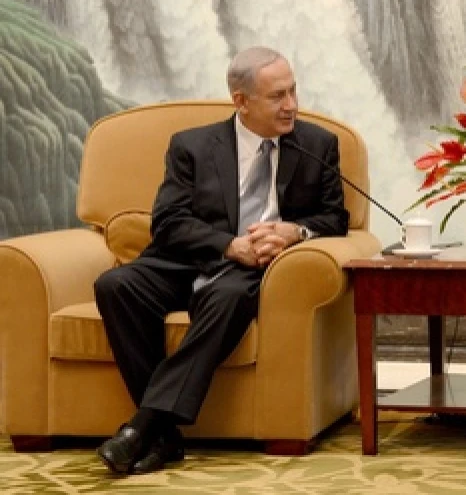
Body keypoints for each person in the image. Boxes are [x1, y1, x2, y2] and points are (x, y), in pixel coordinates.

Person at [94, 46, 349, 474]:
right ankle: (165, 436)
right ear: (241, 102)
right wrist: (229, 245)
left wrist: (293, 232)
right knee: (114, 285)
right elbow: (169, 222)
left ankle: (143, 426)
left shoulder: (317, 144)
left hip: (254, 271)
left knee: (228, 297)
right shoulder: (191, 146)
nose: (291, 106)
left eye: (293, 92)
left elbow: (336, 217)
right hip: (191, 258)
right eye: (277, 96)